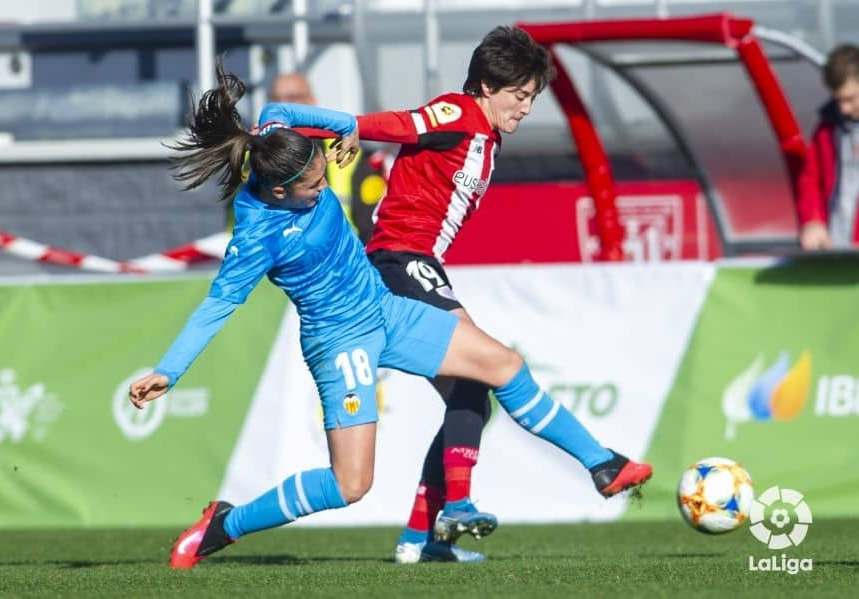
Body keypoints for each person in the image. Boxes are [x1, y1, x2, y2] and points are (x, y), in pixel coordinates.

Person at [128, 62, 652, 569]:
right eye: (313, 188)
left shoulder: (279, 140)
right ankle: (227, 523)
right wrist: (168, 371)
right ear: (280, 191)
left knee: (504, 365)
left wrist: (347, 127)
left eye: (322, 176)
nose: (321, 190)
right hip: (341, 343)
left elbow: (280, 107)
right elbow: (218, 305)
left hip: (388, 309)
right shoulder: (257, 235)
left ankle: (601, 463)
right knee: (350, 485)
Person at [347, 26, 651, 564]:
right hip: (401, 262)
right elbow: (401, 124)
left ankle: (420, 542)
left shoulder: (485, 135)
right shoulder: (460, 113)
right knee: (498, 367)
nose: (527, 107)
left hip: (415, 264)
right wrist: (336, 124)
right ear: (487, 85)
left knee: (471, 395)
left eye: (532, 97)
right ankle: (595, 464)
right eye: (520, 95)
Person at [268, 72, 390, 240]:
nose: (283, 106)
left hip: (338, 256)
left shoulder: (352, 154)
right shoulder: (249, 156)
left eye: (293, 97)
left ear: (311, 101)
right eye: (276, 99)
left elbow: (371, 227)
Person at [797, 43, 859, 250]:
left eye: (850, 99)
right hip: (837, 249)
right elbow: (810, 179)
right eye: (838, 100)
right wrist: (813, 221)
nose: (843, 108)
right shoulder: (827, 129)